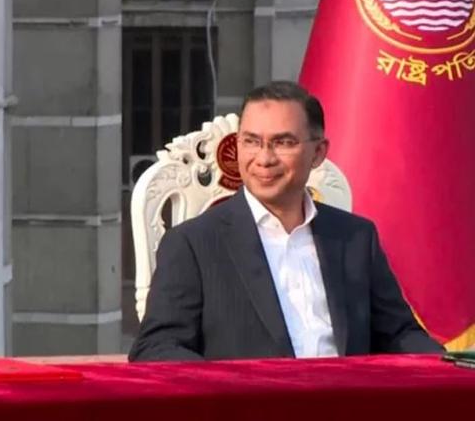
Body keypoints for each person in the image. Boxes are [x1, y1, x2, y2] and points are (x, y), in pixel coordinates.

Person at [129, 81, 443, 362]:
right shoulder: (193, 244)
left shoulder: (355, 238)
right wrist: (230, 390)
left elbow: (399, 335)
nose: (264, 159)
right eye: (251, 141)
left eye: (283, 142)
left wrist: (456, 370)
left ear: (318, 153)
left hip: (347, 397)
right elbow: (156, 347)